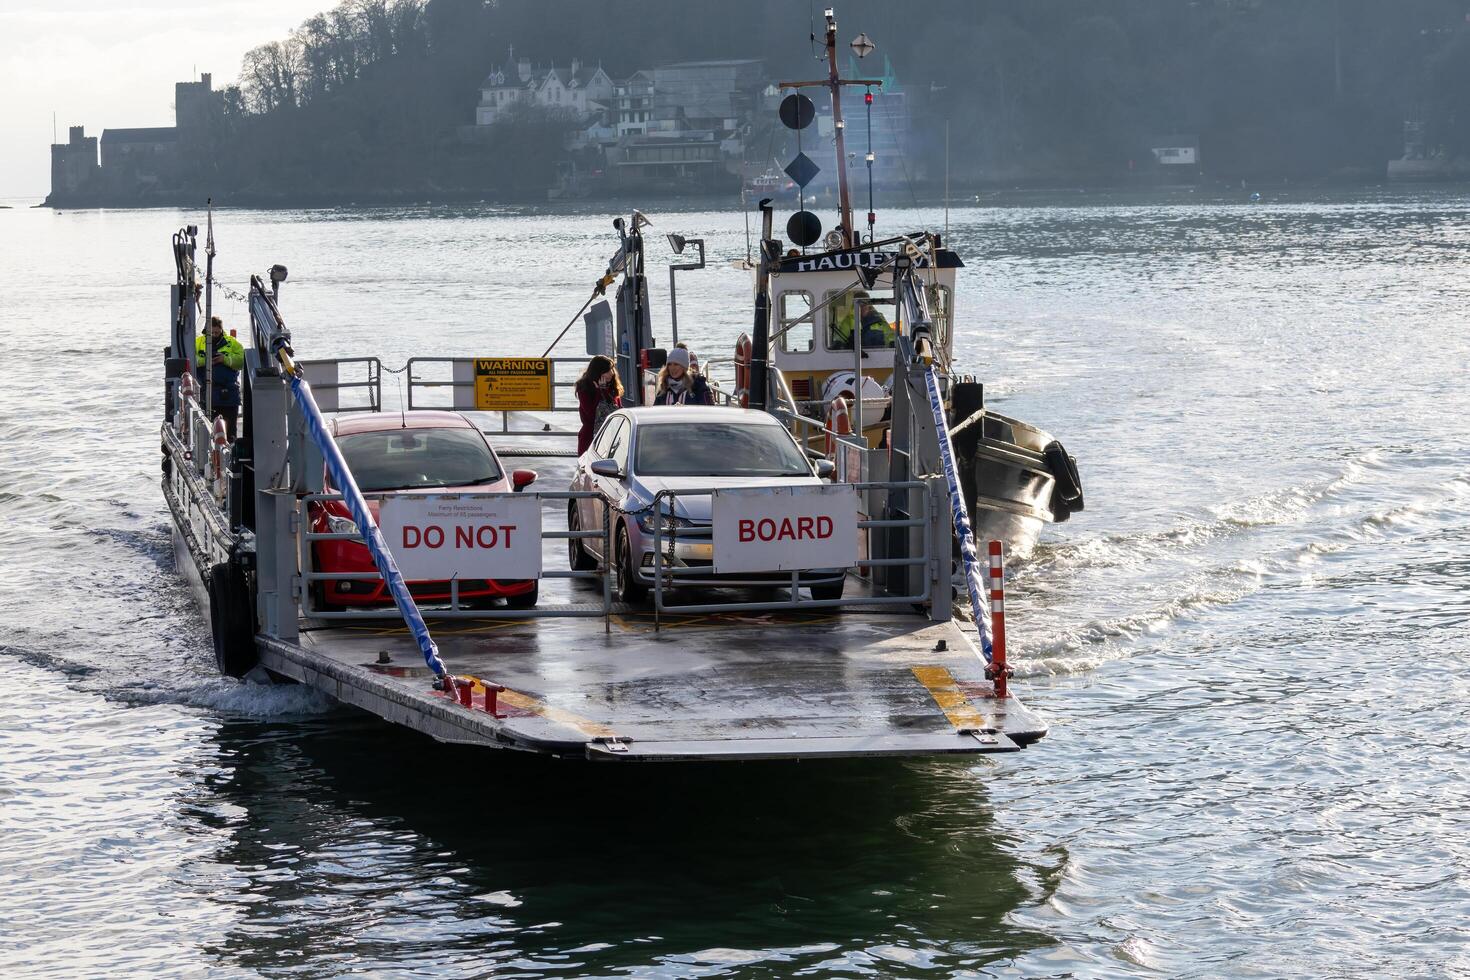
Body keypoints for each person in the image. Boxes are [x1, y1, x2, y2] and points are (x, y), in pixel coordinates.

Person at [195, 315, 245, 438]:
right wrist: (206, 361)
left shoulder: (232, 343)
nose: (214, 335)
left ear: (221, 330)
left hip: (230, 393)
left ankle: (231, 450)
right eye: (211, 332)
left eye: (217, 332)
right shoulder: (198, 343)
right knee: (209, 429)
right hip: (208, 393)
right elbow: (191, 359)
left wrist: (224, 359)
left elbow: (241, 361)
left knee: (230, 429)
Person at [575, 354, 623, 454]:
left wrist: (604, 390)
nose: (612, 373)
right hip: (590, 437)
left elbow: (616, 409)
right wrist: (599, 392)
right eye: (608, 371)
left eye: (612, 369)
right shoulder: (584, 388)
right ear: (598, 372)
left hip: (611, 435)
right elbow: (592, 415)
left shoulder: (612, 386)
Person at [830, 292, 895, 350]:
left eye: (864, 304)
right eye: (859, 305)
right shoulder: (848, 321)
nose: (862, 307)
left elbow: (889, 335)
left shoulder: (879, 319)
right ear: (854, 305)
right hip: (853, 358)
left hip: (879, 355)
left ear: (869, 305)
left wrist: (893, 342)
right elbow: (840, 338)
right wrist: (837, 343)